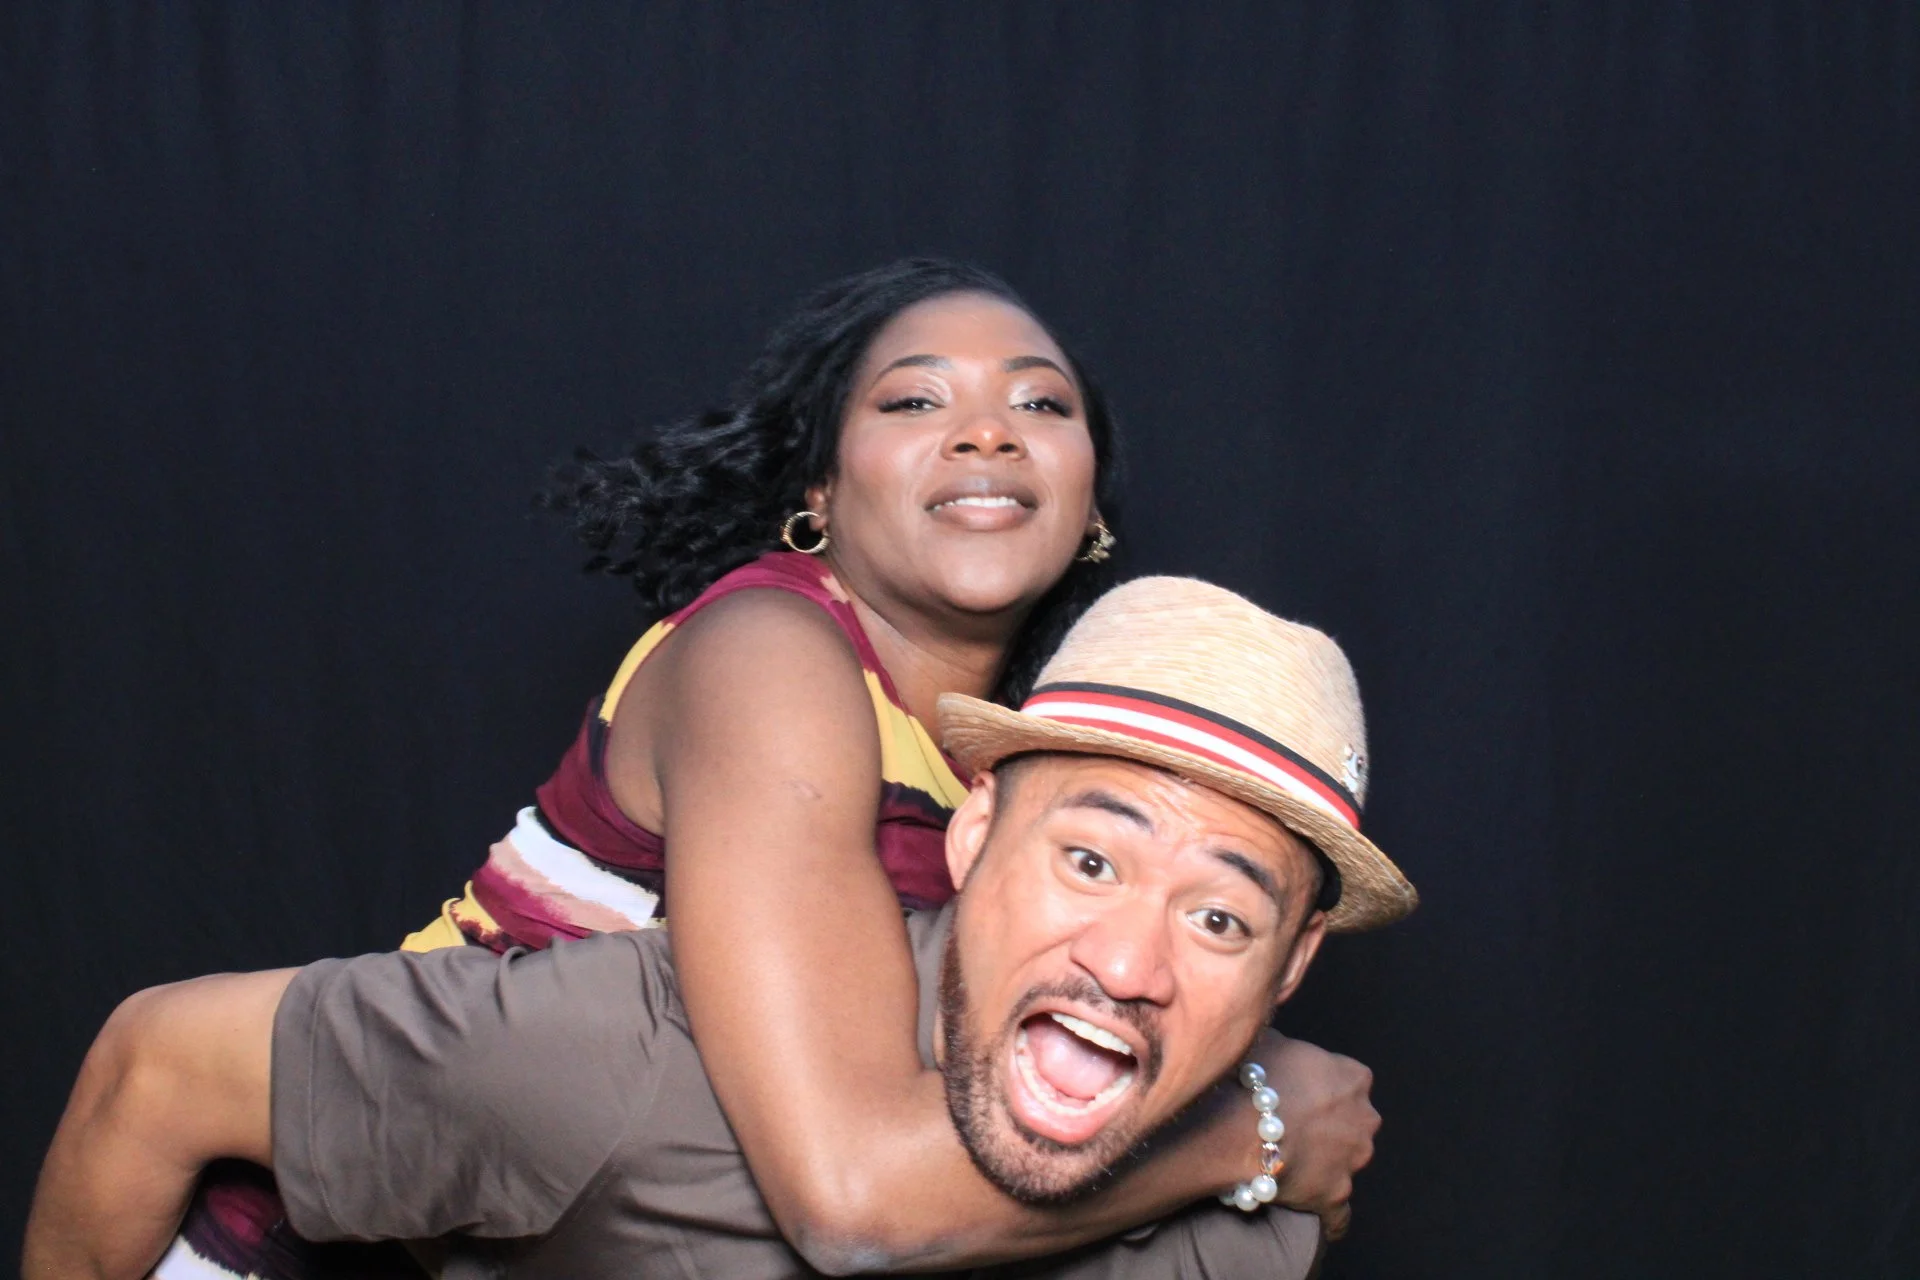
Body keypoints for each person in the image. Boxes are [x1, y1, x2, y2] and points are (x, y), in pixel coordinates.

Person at [53, 258, 1382, 1277]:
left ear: (1089, 505)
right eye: (916, 399)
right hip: (344, 1231)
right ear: (820, 488)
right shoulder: (774, 652)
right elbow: (850, 1185)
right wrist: (1250, 1132)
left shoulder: (1049, 767)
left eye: (1042, 404)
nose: (987, 432)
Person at [26, 576, 1419, 1279]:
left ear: (1293, 967)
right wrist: (1254, 1128)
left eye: (1222, 915)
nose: (1129, 964)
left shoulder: (1250, 1225)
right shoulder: (630, 1065)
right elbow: (155, 1066)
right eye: (1091, 860)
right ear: (974, 829)